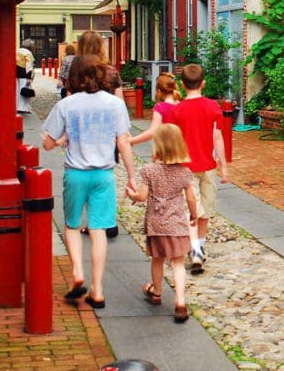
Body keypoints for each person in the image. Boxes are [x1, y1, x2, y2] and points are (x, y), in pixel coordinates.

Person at [42, 54, 136, 309]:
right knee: (98, 231)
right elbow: (123, 141)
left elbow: (48, 143)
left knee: (72, 226)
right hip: (104, 174)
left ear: (73, 76)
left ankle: (77, 272)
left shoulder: (67, 105)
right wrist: (131, 176)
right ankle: (97, 290)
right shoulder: (114, 105)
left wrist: (62, 140)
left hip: (75, 173)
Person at [124, 123, 197, 323]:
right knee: (178, 262)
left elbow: (142, 196)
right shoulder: (184, 172)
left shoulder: (149, 170)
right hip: (177, 225)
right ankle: (180, 301)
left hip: (156, 224)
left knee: (157, 259)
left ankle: (156, 292)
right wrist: (193, 215)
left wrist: (132, 194)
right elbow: (191, 198)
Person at [165, 64, 228, 275]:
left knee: (191, 211)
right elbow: (217, 138)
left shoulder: (176, 111)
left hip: (185, 168)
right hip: (208, 165)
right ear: (204, 83)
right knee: (205, 211)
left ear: (181, 85)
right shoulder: (212, 107)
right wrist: (224, 166)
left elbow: (172, 142)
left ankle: (195, 251)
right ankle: (199, 248)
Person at [75, 30, 124, 239]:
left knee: (85, 175)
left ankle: (93, 221)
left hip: (83, 131)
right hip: (107, 131)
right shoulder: (111, 72)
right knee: (106, 175)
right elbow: (120, 102)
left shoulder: (76, 72)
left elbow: (70, 101)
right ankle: (109, 220)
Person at [131, 73, 182, 146]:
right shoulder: (180, 105)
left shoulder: (160, 108)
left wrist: (131, 140)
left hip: (165, 148)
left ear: (159, 91)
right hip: (181, 148)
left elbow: (152, 131)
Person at [16, 39, 35, 114]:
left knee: (17, 91)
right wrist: (29, 77)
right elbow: (29, 66)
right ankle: (24, 108)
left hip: (16, 73)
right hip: (24, 74)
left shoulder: (17, 50)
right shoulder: (28, 53)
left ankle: (17, 107)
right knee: (24, 91)